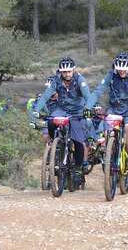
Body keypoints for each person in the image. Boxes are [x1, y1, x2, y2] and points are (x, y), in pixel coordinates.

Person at [84, 51, 128, 170]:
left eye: (124, 70)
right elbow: (97, 92)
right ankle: (111, 153)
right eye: (119, 70)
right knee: (107, 132)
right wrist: (88, 107)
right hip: (114, 108)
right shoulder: (110, 75)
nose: (122, 72)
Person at [32, 57, 91, 185]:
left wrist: (88, 108)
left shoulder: (80, 80)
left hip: (77, 112)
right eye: (64, 72)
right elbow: (46, 95)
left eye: (69, 71)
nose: (67, 74)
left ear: (74, 70)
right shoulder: (57, 80)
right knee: (51, 121)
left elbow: (87, 96)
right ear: (60, 72)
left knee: (78, 141)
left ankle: (77, 169)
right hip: (62, 110)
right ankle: (57, 143)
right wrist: (36, 109)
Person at [27, 75, 59, 143]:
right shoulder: (43, 97)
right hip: (49, 120)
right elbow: (34, 105)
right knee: (46, 136)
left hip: (62, 120)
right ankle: (50, 149)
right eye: (48, 87)